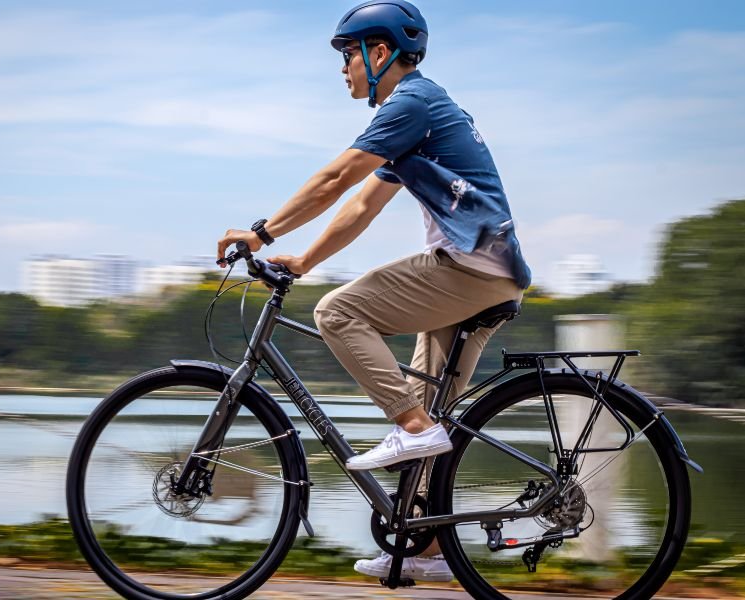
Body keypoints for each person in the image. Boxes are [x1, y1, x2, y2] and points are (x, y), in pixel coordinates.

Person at [217, 0, 531, 583]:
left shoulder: (410, 103)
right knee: (430, 409)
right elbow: (362, 202)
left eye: (346, 56)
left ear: (379, 52)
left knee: (339, 312)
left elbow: (338, 178)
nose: (343, 69)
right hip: (490, 271)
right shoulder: (421, 110)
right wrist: (304, 259)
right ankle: (427, 547)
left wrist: (261, 232)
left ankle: (411, 427)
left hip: (471, 267)